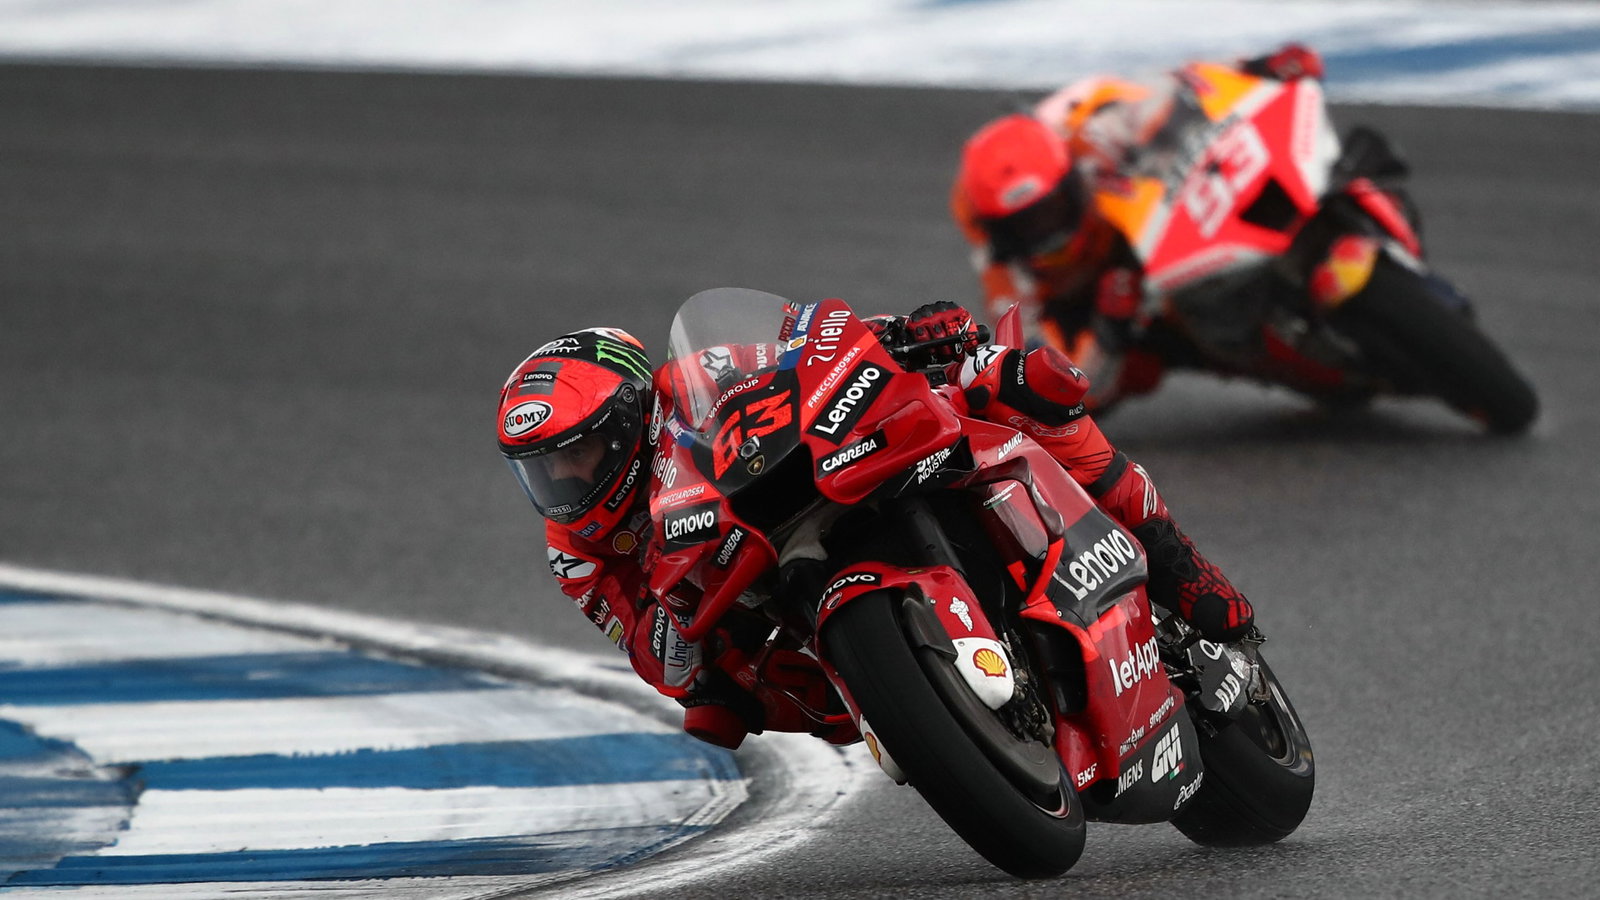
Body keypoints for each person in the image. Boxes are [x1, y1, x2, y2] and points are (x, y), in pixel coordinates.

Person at [496, 305, 1255, 749]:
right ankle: (914, 709)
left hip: (825, 471)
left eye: (579, 454)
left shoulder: (699, 377)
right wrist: (684, 656)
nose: (566, 482)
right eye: (543, 471)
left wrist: (905, 333)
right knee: (735, 699)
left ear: (632, 412)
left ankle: (1173, 556)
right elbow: (646, 649)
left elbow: (813, 349)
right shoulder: (578, 552)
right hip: (752, 580)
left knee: (1018, 385)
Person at [950, 43, 1326, 411]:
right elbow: (1046, 389)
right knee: (1134, 371)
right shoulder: (1008, 282)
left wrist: (1258, 66)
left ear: (1071, 184)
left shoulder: (1097, 137)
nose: (1047, 231)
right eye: (1027, 226)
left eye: (1052, 210)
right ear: (1001, 235)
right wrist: (1109, 328)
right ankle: (1272, 361)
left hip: (1148, 221)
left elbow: (1183, 87)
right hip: (1106, 303)